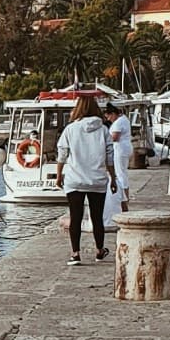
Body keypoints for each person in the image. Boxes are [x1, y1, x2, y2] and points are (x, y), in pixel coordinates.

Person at [56, 92, 113, 263]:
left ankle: (75, 253)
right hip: (97, 179)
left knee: (76, 217)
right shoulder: (103, 130)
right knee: (97, 217)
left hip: (75, 179)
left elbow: (62, 154)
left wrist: (59, 175)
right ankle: (99, 250)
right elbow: (110, 156)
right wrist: (114, 178)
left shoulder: (70, 129)